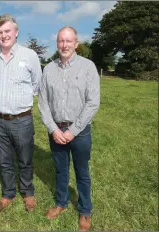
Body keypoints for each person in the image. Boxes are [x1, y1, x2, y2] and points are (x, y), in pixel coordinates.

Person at [38, 26, 100, 231]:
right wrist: (53, 129)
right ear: (57, 43)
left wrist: (72, 130)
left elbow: (92, 103)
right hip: (56, 131)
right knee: (61, 171)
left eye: (68, 41)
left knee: (82, 173)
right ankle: (61, 203)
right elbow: (43, 103)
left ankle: (85, 210)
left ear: (76, 44)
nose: (64, 45)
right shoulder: (48, 69)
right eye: (61, 41)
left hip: (80, 132)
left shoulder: (88, 67)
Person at [0, 14, 42, 213]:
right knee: (4, 160)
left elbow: (37, 84)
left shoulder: (30, 56)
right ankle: (7, 193)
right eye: (0, 32)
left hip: (22, 119)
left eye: (7, 31)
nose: (3, 35)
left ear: (16, 32)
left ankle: (28, 193)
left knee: (25, 159)